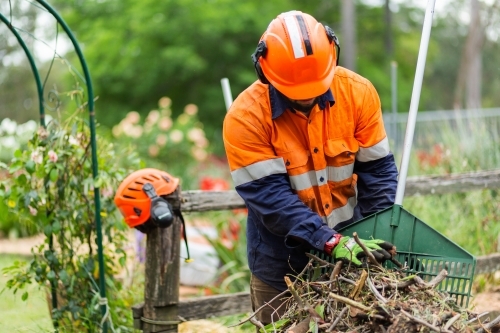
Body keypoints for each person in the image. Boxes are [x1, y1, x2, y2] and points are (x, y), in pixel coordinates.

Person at [222, 10, 398, 326]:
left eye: (315, 88)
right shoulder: (245, 118)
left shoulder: (358, 93)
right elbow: (273, 201)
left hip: (352, 249)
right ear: (264, 72)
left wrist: (376, 232)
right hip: (282, 266)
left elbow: (378, 171)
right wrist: (329, 241)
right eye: (296, 93)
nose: (307, 98)